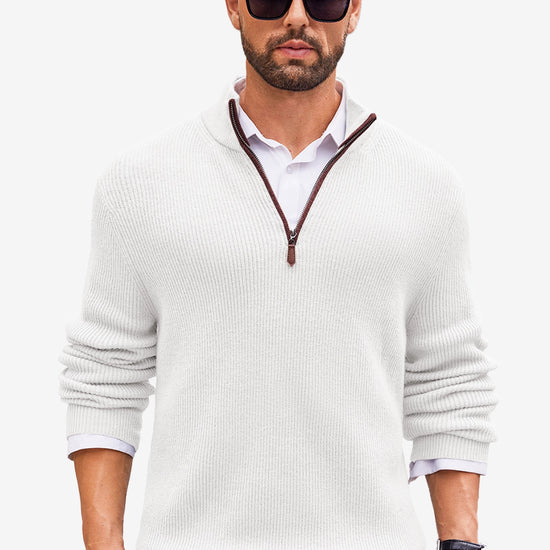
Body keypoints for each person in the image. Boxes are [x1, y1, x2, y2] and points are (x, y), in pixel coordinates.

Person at [58, 1, 498, 549]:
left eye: (323, 1)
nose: (296, 17)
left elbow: (449, 377)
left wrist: (460, 543)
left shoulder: (425, 186)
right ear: (233, 8)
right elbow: (105, 375)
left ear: (354, 11)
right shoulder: (141, 183)